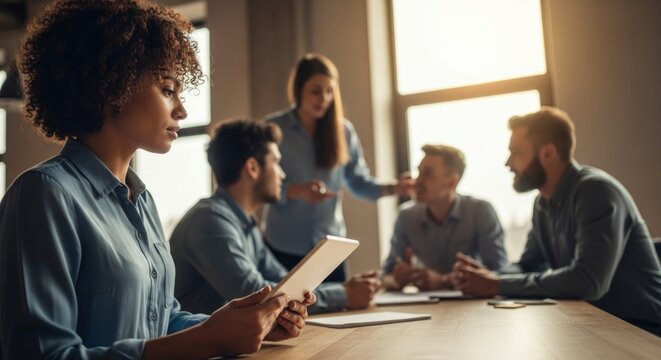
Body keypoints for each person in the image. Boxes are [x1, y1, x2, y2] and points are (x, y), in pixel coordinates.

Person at [0, 1, 314, 358]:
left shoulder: (142, 201)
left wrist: (240, 325)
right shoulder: (43, 195)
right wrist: (209, 339)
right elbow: (43, 355)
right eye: (167, 90)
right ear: (112, 85)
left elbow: (160, 321)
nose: (181, 110)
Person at [453, 107, 661, 335]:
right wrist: (490, 276)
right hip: (593, 328)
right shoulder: (542, 203)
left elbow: (588, 282)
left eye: (516, 152)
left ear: (549, 153)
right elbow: (529, 266)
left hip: (642, 332)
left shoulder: (596, 191)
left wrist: (497, 284)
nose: (508, 163)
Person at [170, 119, 380, 315]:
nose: (282, 174)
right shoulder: (210, 221)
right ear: (252, 168)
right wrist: (344, 296)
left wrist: (345, 288)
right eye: (276, 162)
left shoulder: (244, 223)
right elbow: (259, 297)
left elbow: (287, 282)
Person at [264, 53, 414, 282]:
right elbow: (259, 187)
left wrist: (395, 188)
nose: (323, 98)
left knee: (336, 311)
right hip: (281, 247)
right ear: (298, 89)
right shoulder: (273, 129)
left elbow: (358, 183)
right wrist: (296, 191)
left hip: (329, 250)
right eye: (315, 90)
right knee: (284, 315)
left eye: (329, 91)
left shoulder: (343, 131)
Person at [382, 144, 507, 291]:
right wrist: (396, 280)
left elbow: (499, 272)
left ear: (452, 182)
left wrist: (443, 281)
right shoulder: (406, 216)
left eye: (428, 174)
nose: (418, 181)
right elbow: (386, 276)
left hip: (473, 304)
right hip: (427, 306)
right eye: (419, 172)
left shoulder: (480, 212)